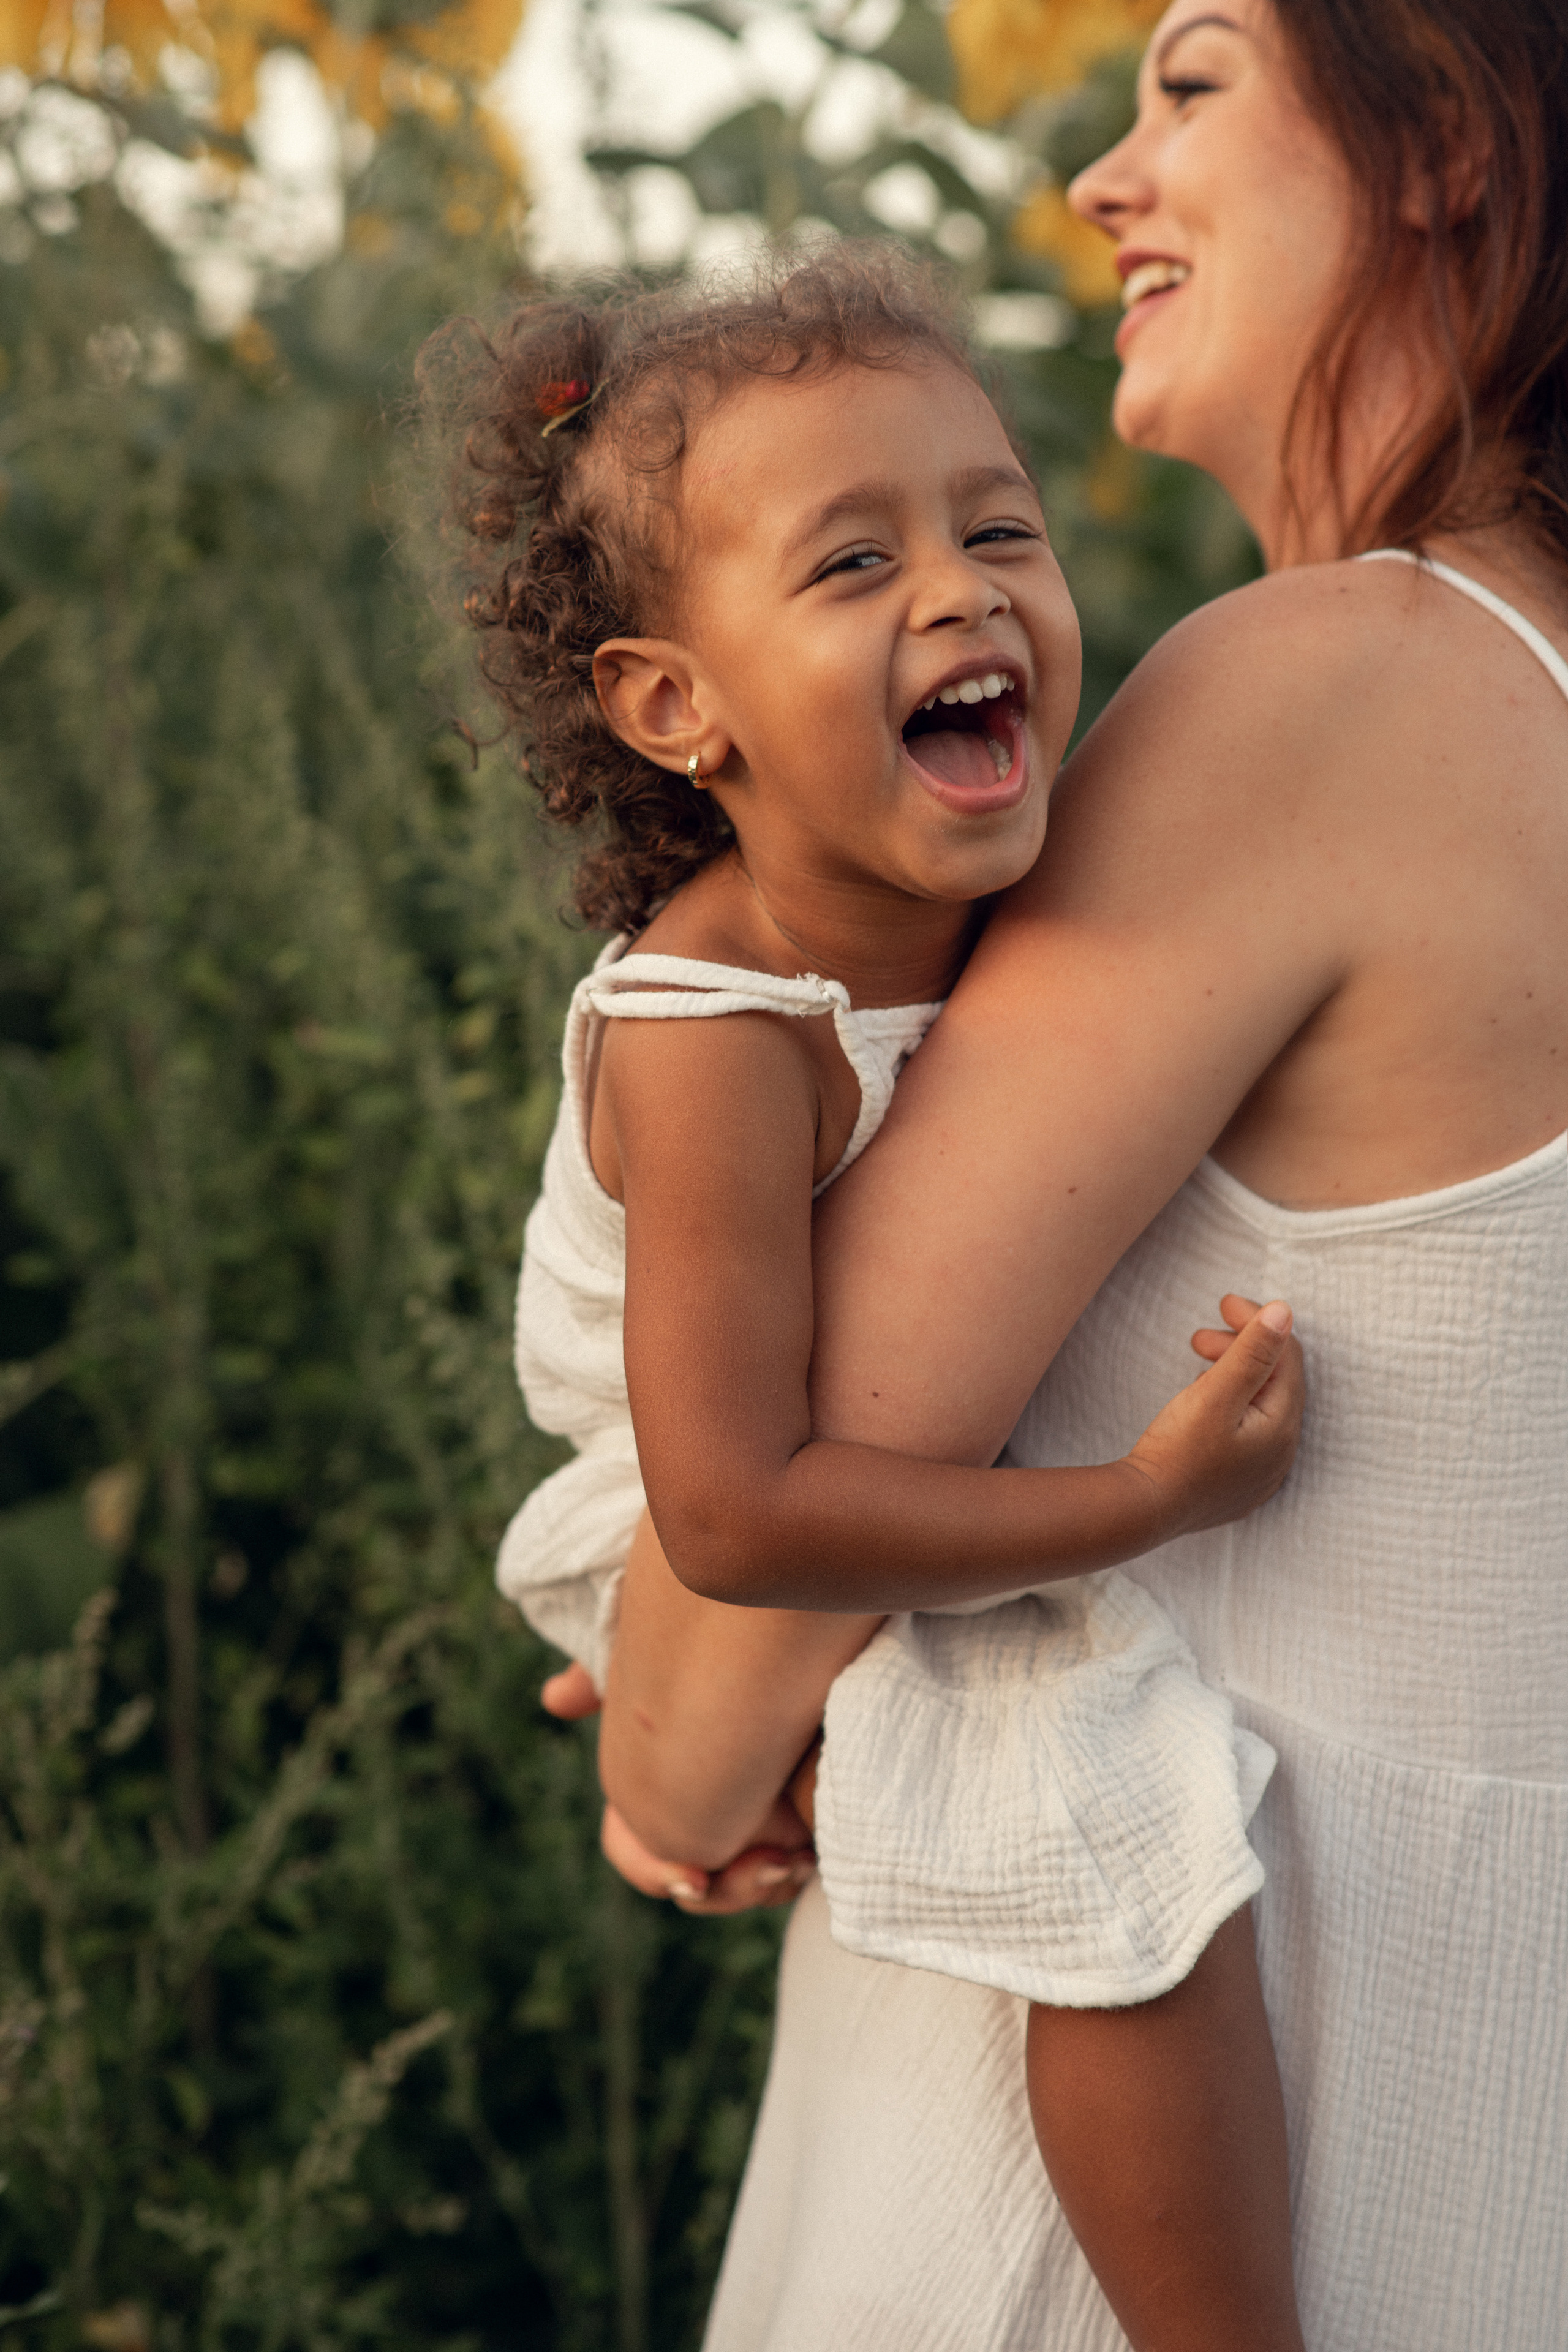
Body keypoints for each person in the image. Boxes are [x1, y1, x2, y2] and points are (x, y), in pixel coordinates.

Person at [594, 4, 1568, 2349]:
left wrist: (668, 1742)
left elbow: (699, 1700)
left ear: (1445, 135)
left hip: (1147, 2185)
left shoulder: (1328, 691)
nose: (1103, 181)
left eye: (1196, 80)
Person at [428, 249, 1310, 2350]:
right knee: (1102, 1808)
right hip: (678, 1510)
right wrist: (1144, 1502)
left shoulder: (1034, 861)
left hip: (797, 1497)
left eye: (999, 523)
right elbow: (730, 1515)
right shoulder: (715, 1031)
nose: (965, 592)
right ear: (674, 705)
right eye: (852, 565)